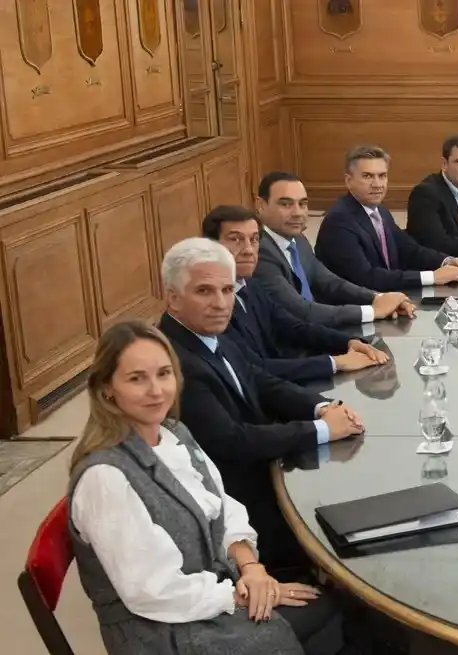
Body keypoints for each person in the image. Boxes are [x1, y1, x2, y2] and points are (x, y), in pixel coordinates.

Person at [68, 319, 344, 654]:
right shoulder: (105, 477)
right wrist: (239, 594)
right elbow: (152, 591)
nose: (156, 390)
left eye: (164, 373)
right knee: (332, 613)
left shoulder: (174, 433)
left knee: (331, 607)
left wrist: (252, 569)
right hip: (159, 631)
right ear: (107, 388)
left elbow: (223, 506)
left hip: (206, 596)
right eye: (137, 379)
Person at [156, 238, 364, 574]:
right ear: (172, 298)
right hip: (239, 504)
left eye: (226, 290)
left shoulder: (206, 333)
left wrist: (321, 407)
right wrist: (321, 430)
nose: (221, 303)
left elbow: (258, 378)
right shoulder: (175, 363)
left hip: (264, 470)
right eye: (205, 291)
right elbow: (233, 442)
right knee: (348, 533)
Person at [203, 205, 389, 384]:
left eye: (254, 239)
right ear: (210, 246)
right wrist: (335, 363)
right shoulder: (212, 306)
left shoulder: (250, 285)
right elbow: (255, 368)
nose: (248, 250)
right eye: (236, 239)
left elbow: (292, 326)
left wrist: (348, 342)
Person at [253, 170, 414, 328]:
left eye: (302, 204)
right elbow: (302, 311)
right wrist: (372, 311)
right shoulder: (259, 252)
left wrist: (378, 298)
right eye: (286, 204)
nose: (297, 213)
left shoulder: (298, 240)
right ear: (260, 205)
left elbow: (330, 282)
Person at [315, 145, 458, 291]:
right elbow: (366, 278)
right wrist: (432, 277)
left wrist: (446, 261)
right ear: (349, 181)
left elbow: (410, 250)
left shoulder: (380, 211)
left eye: (382, 176)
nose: (377, 184)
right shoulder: (339, 221)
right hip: (356, 310)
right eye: (368, 176)